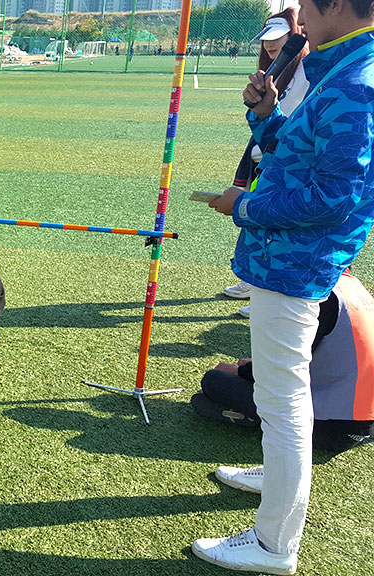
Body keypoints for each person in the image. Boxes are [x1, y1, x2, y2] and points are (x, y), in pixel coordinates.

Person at [197, 0, 374, 573]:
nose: (298, 25)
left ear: (338, 5)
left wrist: (242, 206)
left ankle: (274, 545)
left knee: (283, 402)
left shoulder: (357, 83)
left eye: (308, 9)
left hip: (295, 263)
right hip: (290, 258)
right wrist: (266, 114)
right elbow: (299, 155)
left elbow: (334, 198)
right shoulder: (343, 70)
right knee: (281, 396)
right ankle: (276, 479)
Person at [194, 269, 374, 457]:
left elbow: (282, 365)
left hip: (325, 426)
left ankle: (256, 419)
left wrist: (240, 371)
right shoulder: (355, 289)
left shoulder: (319, 295)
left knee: (213, 380)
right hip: (359, 422)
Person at [222, 8, 310, 319]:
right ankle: (255, 283)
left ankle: (267, 292)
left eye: (278, 38)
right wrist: (263, 113)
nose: (270, 44)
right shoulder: (278, 70)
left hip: (290, 159)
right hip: (270, 152)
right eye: (266, 39)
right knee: (260, 217)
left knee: (272, 219)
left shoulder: (310, 70)